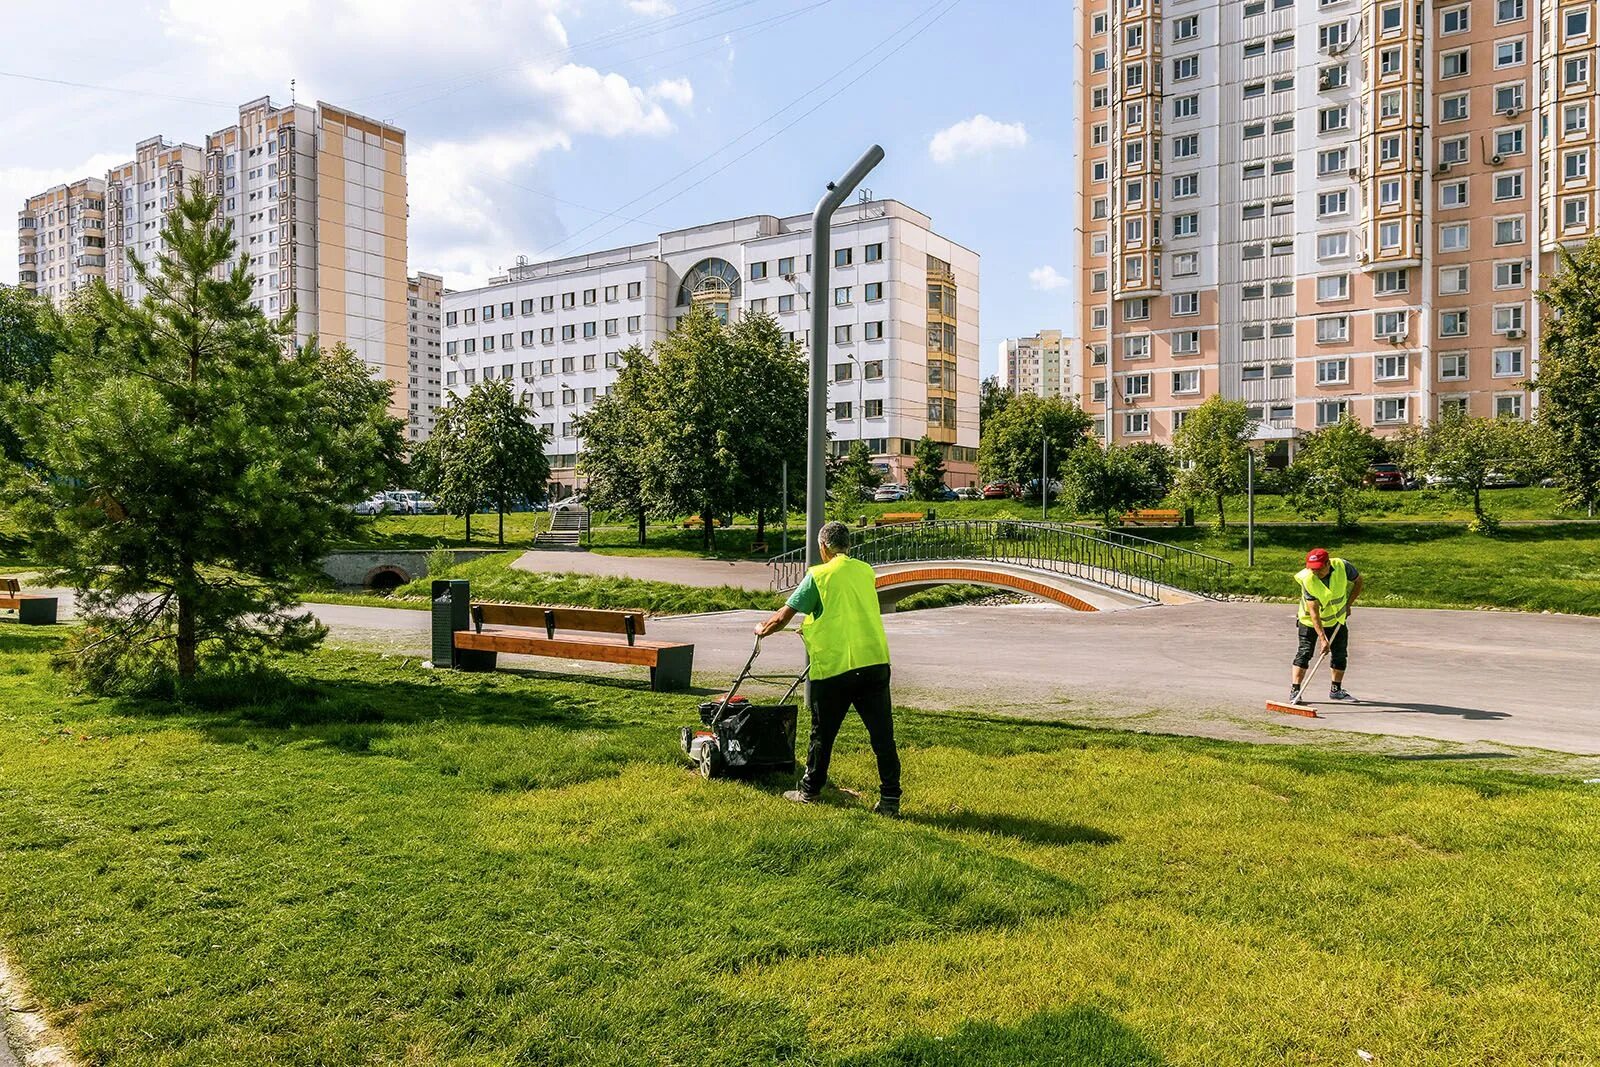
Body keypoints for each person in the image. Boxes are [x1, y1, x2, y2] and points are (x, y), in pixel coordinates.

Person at [754, 520, 901, 815]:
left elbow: (783, 616)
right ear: (848, 545)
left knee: (822, 734)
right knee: (883, 736)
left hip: (836, 670)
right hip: (873, 663)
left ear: (823, 546)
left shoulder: (818, 576)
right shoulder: (865, 572)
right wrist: (811, 627)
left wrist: (762, 629)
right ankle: (890, 799)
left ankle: (810, 791)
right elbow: (844, 613)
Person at [1289, 547, 1363, 706]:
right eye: (1312, 569)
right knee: (1304, 652)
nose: (1315, 572)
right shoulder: (1307, 579)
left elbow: (1358, 581)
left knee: (1340, 654)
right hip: (1309, 621)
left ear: (1327, 564)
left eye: (1318, 569)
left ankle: (1336, 690)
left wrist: (1348, 604)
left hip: (1336, 619)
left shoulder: (1343, 566)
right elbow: (1314, 612)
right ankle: (1295, 690)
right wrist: (1322, 638)